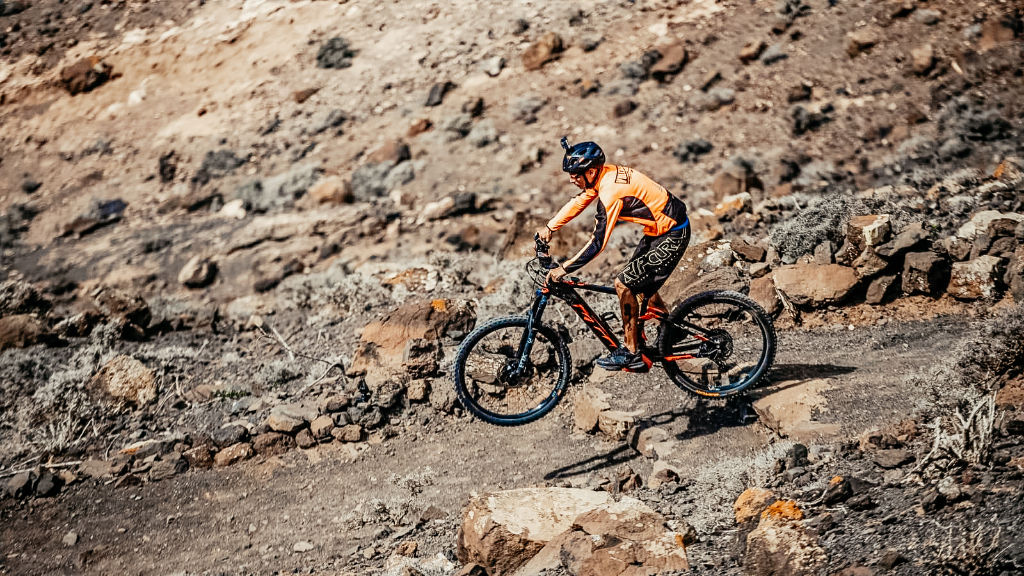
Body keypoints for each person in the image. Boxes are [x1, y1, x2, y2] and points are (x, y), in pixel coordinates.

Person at [537, 138, 690, 371]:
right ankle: (672, 329)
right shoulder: (603, 174)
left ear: (590, 171)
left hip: (673, 233)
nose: (571, 179)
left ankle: (632, 352)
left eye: (575, 174)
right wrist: (551, 227)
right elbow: (579, 202)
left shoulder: (611, 192)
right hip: (660, 230)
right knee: (638, 280)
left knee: (624, 284)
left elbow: (598, 243)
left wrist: (564, 268)